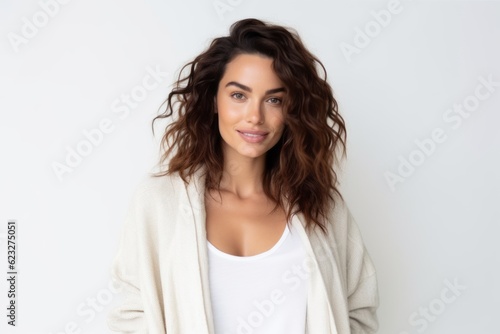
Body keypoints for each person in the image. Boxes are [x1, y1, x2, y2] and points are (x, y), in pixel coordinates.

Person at [107, 18, 379, 334]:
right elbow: (132, 314)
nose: (255, 116)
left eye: (274, 99)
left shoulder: (321, 206)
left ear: (291, 110)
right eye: (239, 95)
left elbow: (359, 309)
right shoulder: (159, 202)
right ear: (213, 100)